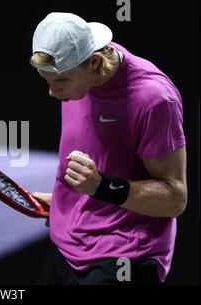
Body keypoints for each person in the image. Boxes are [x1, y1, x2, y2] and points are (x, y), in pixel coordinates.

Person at [29, 12, 187, 284]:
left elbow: (175, 198)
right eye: (48, 81)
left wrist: (103, 187)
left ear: (94, 61)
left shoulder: (154, 99)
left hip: (124, 258)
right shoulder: (76, 75)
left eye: (60, 81)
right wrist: (66, 202)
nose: (52, 93)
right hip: (66, 248)